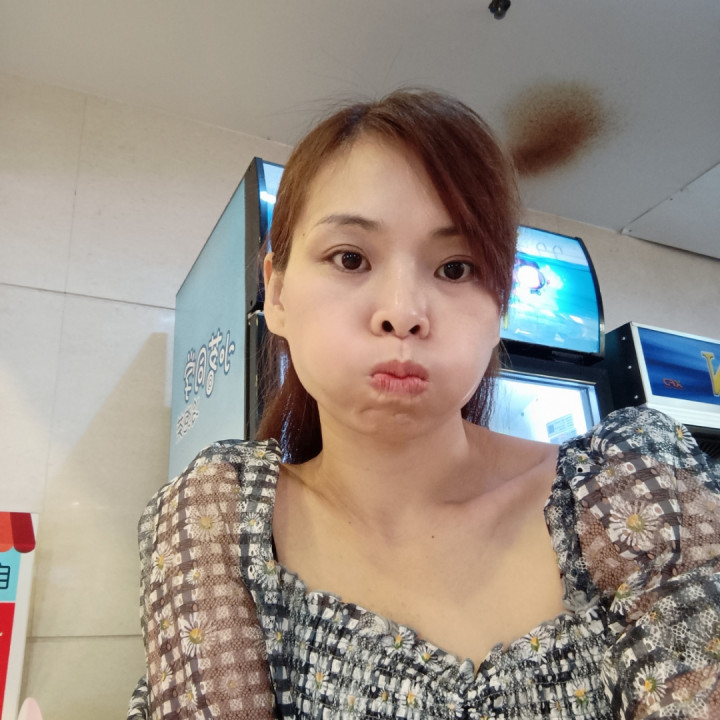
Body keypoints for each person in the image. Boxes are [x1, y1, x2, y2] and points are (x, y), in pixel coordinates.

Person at [128, 89, 720, 719]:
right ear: (275, 293)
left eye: (456, 268)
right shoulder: (218, 526)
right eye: (350, 258)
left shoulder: (631, 496)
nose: (403, 313)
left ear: (501, 308)